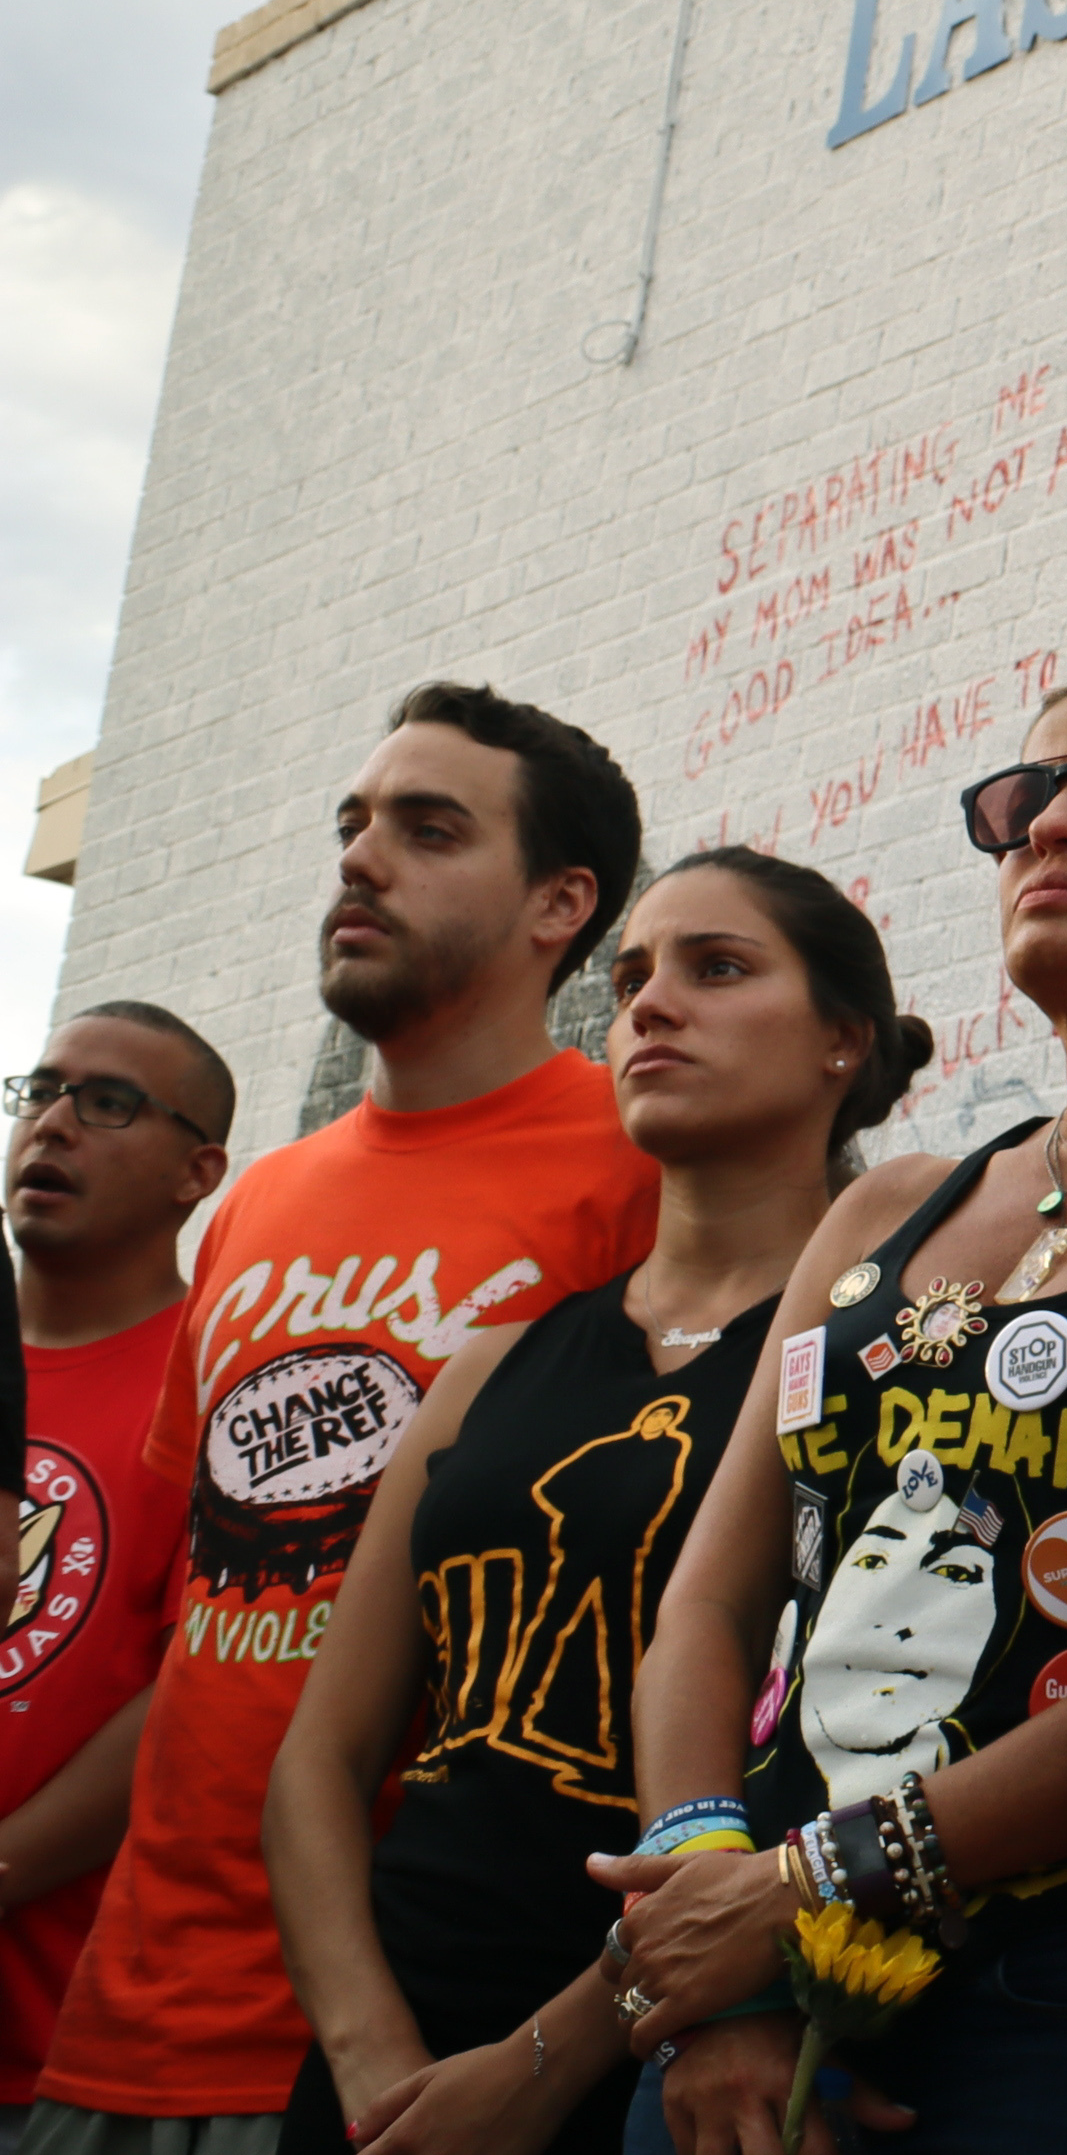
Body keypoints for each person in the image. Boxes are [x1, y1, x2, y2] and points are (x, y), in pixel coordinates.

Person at [609, 660, 1067, 2155]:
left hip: (1061, 1985)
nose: (1049, 827)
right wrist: (708, 1935)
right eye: (1017, 802)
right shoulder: (886, 1206)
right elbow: (713, 1601)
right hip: (744, 1994)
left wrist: (798, 1890)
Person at [31, 687, 661, 2155]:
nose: (361, 860)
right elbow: (191, 1621)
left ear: (560, 903)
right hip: (124, 2018)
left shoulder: (635, 1170)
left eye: (429, 831)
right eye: (354, 824)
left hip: (418, 2026)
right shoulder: (257, 1199)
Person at [266, 853, 928, 2155]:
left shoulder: (882, 1355)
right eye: (629, 981)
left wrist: (549, 2056)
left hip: (696, 2042)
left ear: (842, 1040)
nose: (651, 1004)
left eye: (717, 968)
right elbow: (320, 1761)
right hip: (396, 2061)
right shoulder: (491, 1364)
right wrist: (370, 2060)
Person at [0, 1007, 236, 2150]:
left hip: (66, 2052)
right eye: (38, 1091)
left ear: (200, 1171)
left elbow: (197, 1680)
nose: (50, 1124)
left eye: (105, 1103)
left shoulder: (222, 1378)